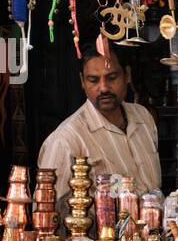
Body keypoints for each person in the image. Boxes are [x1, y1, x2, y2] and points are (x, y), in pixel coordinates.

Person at [37, 41, 161, 210]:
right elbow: (49, 212)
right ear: (82, 81)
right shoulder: (65, 140)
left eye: (111, 77)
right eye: (93, 80)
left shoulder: (143, 118)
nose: (103, 88)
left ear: (127, 75)